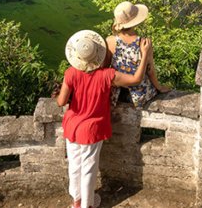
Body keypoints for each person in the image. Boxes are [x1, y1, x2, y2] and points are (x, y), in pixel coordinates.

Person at [55, 29, 151, 208]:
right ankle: (87, 205)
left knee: (74, 165)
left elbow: (61, 101)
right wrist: (144, 54)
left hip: (72, 125)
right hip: (92, 128)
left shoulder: (71, 73)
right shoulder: (107, 75)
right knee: (89, 168)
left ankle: (76, 201)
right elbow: (136, 79)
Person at [107, 1, 170, 109]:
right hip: (140, 95)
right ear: (135, 22)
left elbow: (106, 68)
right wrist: (159, 87)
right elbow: (150, 70)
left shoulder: (110, 41)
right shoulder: (144, 43)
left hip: (116, 94)